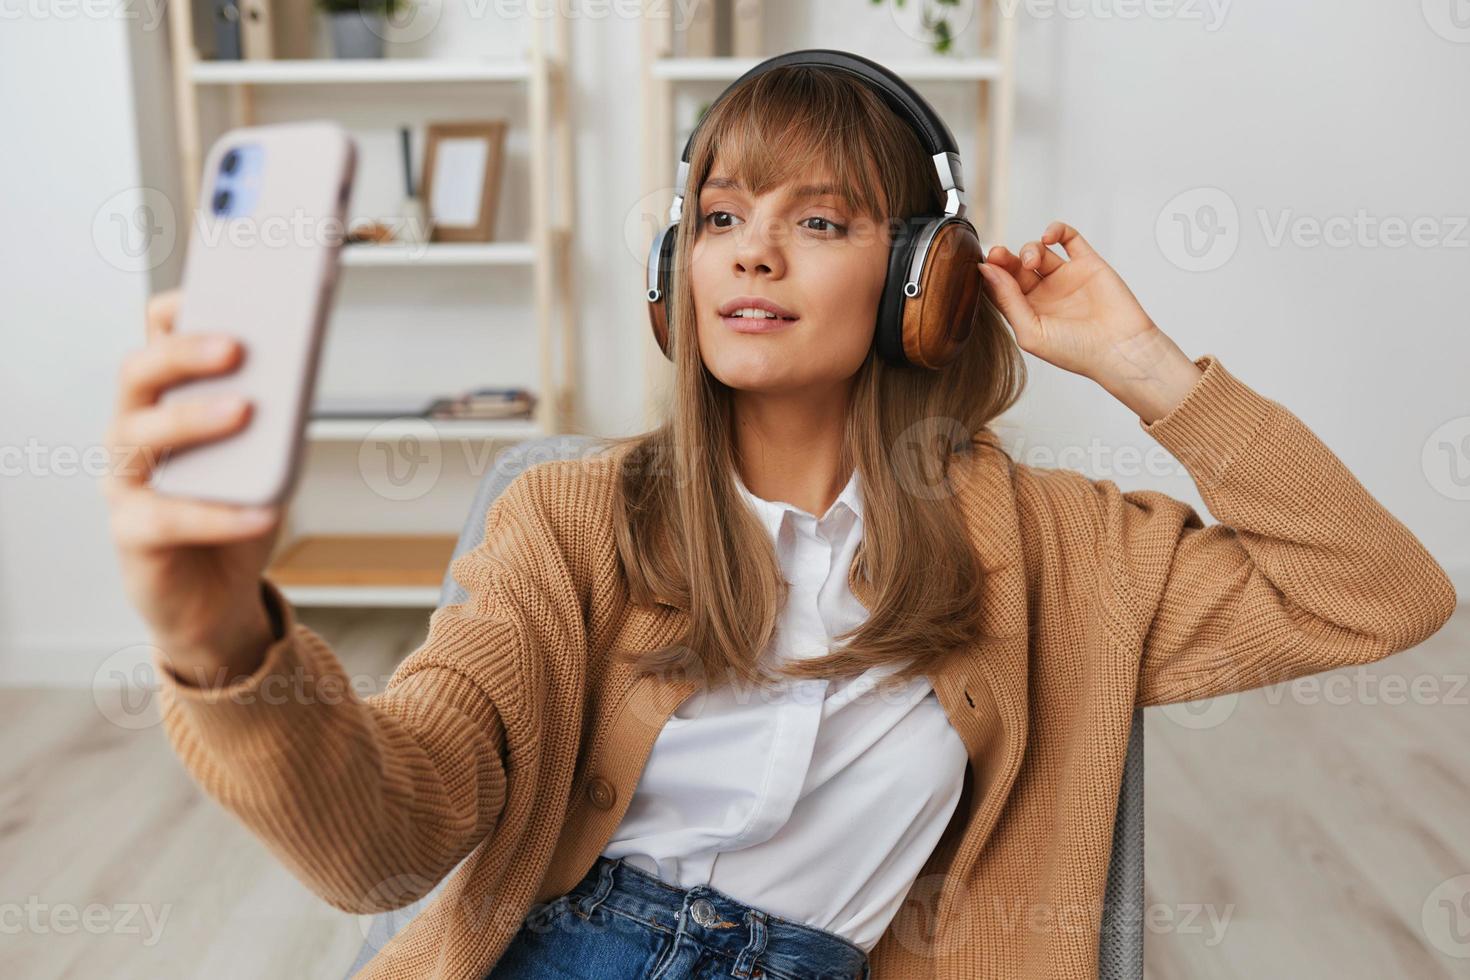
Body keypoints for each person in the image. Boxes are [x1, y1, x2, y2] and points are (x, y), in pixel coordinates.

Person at [103, 55, 1456, 980]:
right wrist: (224, 642)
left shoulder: (1060, 550)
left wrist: (1150, 368)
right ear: (672, 272)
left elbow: (1375, 594)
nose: (751, 250)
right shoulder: (566, 521)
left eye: (818, 218)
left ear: (920, 281)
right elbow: (384, 842)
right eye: (718, 216)